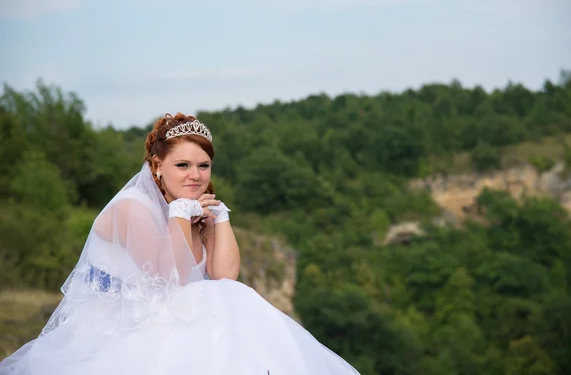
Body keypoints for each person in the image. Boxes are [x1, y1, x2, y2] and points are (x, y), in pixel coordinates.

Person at [0, 113, 361, 375]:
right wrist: (179, 215)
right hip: (122, 325)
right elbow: (169, 279)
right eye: (183, 165)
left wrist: (220, 220)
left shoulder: (193, 210)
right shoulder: (132, 209)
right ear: (157, 166)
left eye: (204, 166)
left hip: (171, 316)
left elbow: (224, 278)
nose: (195, 176)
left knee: (236, 302)